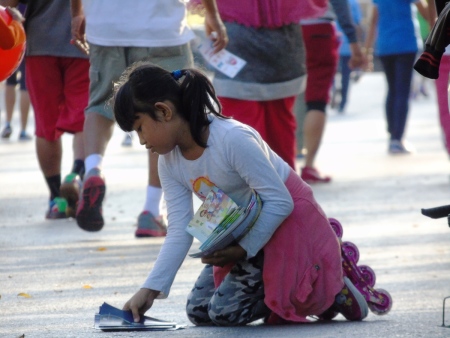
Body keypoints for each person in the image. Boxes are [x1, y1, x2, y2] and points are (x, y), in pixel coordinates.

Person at [111, 62, 369, 325]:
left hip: (288, 224)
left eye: (139, 128)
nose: (141, 141)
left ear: (163, 111)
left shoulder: (232, 139)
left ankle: (326, 282)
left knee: (225, 313)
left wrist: (243, 250)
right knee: (199, 312)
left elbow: (281, 202)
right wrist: (149, 290)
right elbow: (178, 230)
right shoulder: (168, 162)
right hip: (244, 232)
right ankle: (296, 285)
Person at [70, 0, 228, 234]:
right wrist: (212, 14)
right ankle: (152, 210)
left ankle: (93, 169)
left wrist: (76, 13)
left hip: (105, 26)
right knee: (166, 116)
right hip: (161, 26)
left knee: (99, 106)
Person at [0, 0, 89, 219]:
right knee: (85, 119)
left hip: (41, 42)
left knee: (46, 125)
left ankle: (57, 200)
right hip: (84, 41)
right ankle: (76, 175)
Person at [299, 0, 366, 183]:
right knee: (317, 98)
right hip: (318, 29)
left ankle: (283, 164)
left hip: (286, 30)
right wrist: (353, 42)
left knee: (285, 95)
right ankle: (309, 165)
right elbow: (340, 4)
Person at [364, 0, 431, 154]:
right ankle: (397, 138)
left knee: (392, 90)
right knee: (402, 91)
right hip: (406, 43)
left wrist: (367, 50)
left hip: (385, 45)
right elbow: (426, 13)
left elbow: (373, 21)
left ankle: (392, 135)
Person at [334, 0, 364, 114]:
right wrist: (358, 45)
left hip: (333, 41)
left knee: (331, 74)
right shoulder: (353, 3)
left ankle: (332, 95)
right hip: (348, 45)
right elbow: (357, 25)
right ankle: (343, 102)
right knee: (345, 76)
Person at [1, 59, 32, 141]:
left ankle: (8, 124)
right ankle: (23, 130)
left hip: (10, 48)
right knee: (25, 85)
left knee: (10, 80)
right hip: (25, 49)